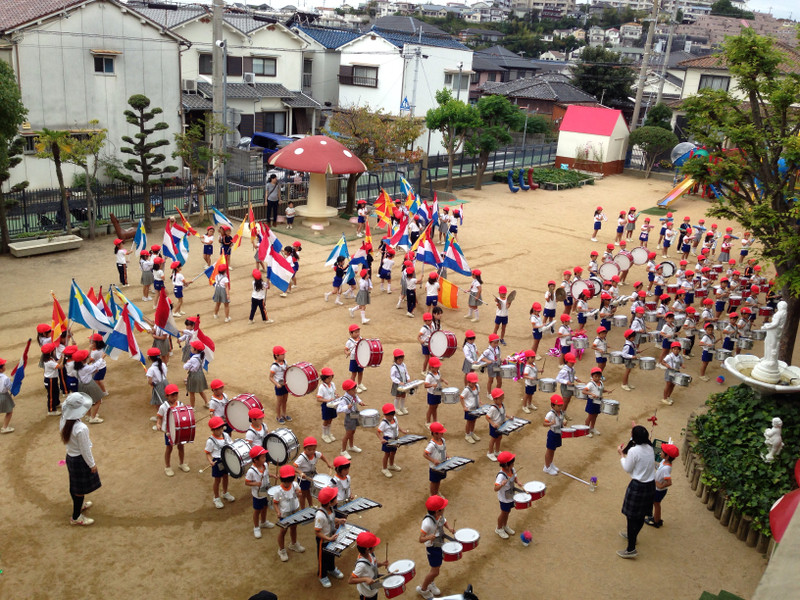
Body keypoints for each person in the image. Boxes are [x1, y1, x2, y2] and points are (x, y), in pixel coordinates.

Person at [60, 392, 101, 526]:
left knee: (74, 485)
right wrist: (92, 464)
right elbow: (85, 449)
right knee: (79, 490)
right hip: (79, 460)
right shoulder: (81, 428)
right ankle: (76, 516)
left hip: (71, 457)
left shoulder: (64, 420)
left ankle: (80, 506)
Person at [617, 424, 656, 559]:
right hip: (650, 485)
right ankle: (632, 535)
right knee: (641, 515)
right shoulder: (650, 448)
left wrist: (622, 455)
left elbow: (627, 468)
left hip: (638, 486)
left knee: (631, 516)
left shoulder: (634, 451)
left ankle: (631, 548)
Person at [417, 494, 455, 599]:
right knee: (435, 571)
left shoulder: (439, 516)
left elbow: (444, 521)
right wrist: (429, 537)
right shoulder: (427, 523)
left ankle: (430, 583)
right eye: (443, 508)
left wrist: (450, 528)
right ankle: (423, 589)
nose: (444, 509)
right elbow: (420, 539)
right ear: (437, 511)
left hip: (439, 546)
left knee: (436, 569)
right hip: (432, 549)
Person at [315, 486, 347, 588]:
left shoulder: (331, 509)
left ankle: (331, 568)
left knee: (331, 555)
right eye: (335, 498)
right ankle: (322, 575)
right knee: (322, 559)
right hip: (323, 541)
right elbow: (317, 532)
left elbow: (331, 519)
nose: (337, 500)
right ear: (329, 502)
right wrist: (328, 539)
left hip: (331, 537)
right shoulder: (320, 516)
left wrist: (339, 521)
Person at [156, 383, 191, 476]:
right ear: (166, 396)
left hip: (179, 430)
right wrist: (158, 424)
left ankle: (182, 463)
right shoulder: (163, 406)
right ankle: (167, 466)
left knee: (181, 447)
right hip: (169, 431)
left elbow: (183, 415)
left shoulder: (180, 404)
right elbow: (159, 417)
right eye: (172, 395)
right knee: (169, 448)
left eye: (176, 395)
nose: (174, 397)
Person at [274, 463, 305, 561]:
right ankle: (281, 550)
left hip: (295, 511)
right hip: (285, 515)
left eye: (290, 480)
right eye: (286, 481)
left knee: (294, 527)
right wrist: (278, 512)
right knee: (283, 531)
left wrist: (298, 494)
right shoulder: (278, 491)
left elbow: (300, 494)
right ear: (281, 480)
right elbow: (275, 503)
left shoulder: (295, 485)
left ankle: (293, 544)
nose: (288, 483)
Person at [244, 445, 276, 537]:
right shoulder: (251, 471)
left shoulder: (265, 465)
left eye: (264, 456)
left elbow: (266, 474)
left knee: (265, 507)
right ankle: (256, 527)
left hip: (266, 491)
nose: (265, 459)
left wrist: (272, 475)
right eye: (262, 457)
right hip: (257, 495)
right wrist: (255, 484)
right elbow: (247, 482)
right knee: (257, 511)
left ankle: (263, 522)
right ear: (255, 460)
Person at [645, 442, 679, 528]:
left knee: (656, 504)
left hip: (659, 490)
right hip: (657, 489)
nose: (661, 452)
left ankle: (656, 521)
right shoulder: (664, 461)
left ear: (667, 456)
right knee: (655, 504)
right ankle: (657, 519)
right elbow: (658, 467)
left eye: (663, 452)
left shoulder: (667, 468)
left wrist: (660, 485)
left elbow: (669, 482)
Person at [205, 416, 235, 509]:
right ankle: (216, 497)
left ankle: (225, 493)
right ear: (212, 430)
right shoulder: (210, 441)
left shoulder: (226, 435)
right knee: (217, 480)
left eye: (221, 428)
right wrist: (210, 461)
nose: (220, 430)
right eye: (218, 429)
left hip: (226, 459)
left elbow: (231, 445)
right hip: (217, 462)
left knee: (226, 477)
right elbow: (207, 453)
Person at [295, 436, 333, 508]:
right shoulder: (301, 458)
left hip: (312, 476)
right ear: (304, 449)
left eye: (314, 449)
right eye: (309, 450)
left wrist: (328, 463)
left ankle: (311, 506)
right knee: (303, 495)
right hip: (303, 479)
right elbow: (293, 467)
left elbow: (322, 456)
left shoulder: (316, 453)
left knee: (309, 492)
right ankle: (303, 509)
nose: (312, 451)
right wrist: (300, 472)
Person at [349, 531, 387, 600]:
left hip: (373, 589)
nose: (375, 546)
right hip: (366, 594)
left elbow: (373, 565)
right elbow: (350, 580)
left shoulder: (371, 554)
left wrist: (382, 564)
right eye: (373, 546)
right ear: (367, 549)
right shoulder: (361, 565)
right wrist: (365, 579)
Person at [72, 349, 105, 424]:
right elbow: (95, 366)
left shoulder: (76, 367)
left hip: (81, 385)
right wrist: (102, 358)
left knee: (86, 401)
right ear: (83, 360)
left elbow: (89, 371)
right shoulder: (86, 368)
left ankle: (88, 415)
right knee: (98, 400)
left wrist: (92, 371)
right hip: (89, 385)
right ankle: (93, 418)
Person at [377, 403, 408, 478]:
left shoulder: (395, 418)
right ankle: (384, 468)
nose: (391, 416)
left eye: (392, 414)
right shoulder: (383, 423)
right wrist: (381, 439)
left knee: (393, 452)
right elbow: (378, 432)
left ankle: (391, 465)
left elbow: (397, 426)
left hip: (395, 438)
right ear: (385, 414)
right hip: (387, 440)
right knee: (387, 454)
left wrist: (402, 430)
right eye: (389, 415)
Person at [337, 379, 364, 459]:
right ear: (348, 390)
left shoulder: (353, 395)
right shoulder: (344, 399)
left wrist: (360, 402)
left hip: (355, 414)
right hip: (349, 417)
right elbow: (339, 409)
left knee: (353, 431)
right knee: (348, 434)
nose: (355, 390)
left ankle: (351, 446)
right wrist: (346, 407)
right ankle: (343, 450)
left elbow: (357, 399)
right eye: (353, 389)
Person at [494, 451, 519, 539]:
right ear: (506, 465)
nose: (513, 464)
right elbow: (495, 488)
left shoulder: (512, 469)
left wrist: (518, 482)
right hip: (504, 498)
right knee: (504, 513)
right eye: (512, 463)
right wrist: (502, 484)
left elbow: (515, 477)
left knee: (508, 512)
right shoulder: (501, 476)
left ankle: (505, 525)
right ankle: (499, 528)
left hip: (510, 495)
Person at [423, 421, 448, 495]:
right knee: (434, 482)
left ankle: (436, 492)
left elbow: (444, 449)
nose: (443, 434)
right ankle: (433, 495)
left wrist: (446, 455)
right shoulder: (431, 445)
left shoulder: (443, 440)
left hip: (442, 464)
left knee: (439, 480)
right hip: (434, 468)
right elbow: (425, 454)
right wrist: (433, 460)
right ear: (435, 433)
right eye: (441, 433)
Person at [543, 393, 565, 475]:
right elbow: (544, 423)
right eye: (558, 406)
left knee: (553, 450)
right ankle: (547, 467)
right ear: (553, 406)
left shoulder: (561, 413)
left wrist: (564, 422)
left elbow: (561, 420)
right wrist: (550, 423)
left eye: (561, 405)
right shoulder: (550, 414)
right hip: (552, 433)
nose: (560, 407)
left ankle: (550, 463)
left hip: (558, 433)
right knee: (549, 450)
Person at [486, 388, 509, 462]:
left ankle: (497, 451)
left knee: (499, 438)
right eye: (500, 398)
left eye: (502, 398)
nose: (502, 400)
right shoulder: (493, 408)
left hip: (501, 425)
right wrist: (493, 424)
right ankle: (490, 452)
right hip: (495, 427)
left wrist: (509, 417)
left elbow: (503, 414)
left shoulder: (502, 405)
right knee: (493, 439)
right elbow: (487, 417)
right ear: (495, 399)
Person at [184, 340, 209, 408]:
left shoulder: (193, 359)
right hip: (200, 374)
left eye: (192, 347)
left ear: (195, 350)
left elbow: (185, 367)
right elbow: (202, 364)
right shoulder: (202, 356)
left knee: (192, 392)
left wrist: (188, 362)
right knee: (201, 390)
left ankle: (192, 407)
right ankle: (207, 402)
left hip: (193, 376)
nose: (191, 348)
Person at [270, 345, 290, 424]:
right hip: (279, 386)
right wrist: (277, 384)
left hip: (285, 385)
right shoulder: (274, 367)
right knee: (279, 402)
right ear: (276, 355)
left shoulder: (285, 362)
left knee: (285, 400)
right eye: (282, 354)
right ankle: (278, 416)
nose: (284, 355)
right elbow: (271, 377)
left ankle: (284, 414)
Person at [316, 367, 338, 443]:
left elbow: (334, 393)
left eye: (331, 377)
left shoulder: (332, 384)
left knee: (330, 419)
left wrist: (336, 395)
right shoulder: (321, 387)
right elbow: (318, 399)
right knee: (326, 420)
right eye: (329, 378)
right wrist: (327, 400)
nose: (330, 379)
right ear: (324, 378)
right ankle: (324, 434)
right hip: (326, 406)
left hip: (333, 405)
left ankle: (328, 433)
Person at [460, 372, 482, 444]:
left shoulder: (477, 386)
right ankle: (467, 435)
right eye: (472, 383)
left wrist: (479, 400)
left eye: (475, 382)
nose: (474, 384)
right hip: (469, 409)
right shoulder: (466, 390)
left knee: (474, 421)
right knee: (469, 422)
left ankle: (472, 433)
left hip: (476, 408)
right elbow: (461, 397)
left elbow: (478, 394)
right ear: (468, 382)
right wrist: (464, 407)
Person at [424, 357, 446, 426]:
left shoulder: (438, 372)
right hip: (432, 393)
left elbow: (439, 378)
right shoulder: (429, 376)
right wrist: (432, 385)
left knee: (436, 407)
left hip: (438, 391)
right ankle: (428, 422)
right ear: (431, 367)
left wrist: (443, 380)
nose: (437, 369)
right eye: (436, 367)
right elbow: (425, 385)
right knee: (431, 408)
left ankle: (435, 420)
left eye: (438, 367)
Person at [42, 342, 62, 415]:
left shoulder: (50, 359)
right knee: (51, 395)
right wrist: (65, 360)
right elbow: (60, 367)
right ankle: (51, 410)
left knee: (56, 391)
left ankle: (57, 403)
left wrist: (61, 358)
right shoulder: (49, 362)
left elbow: (57, 363)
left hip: (53, 379)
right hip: (50, 380)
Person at [583, 367, 604, 437]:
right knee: (590, 416)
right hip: (592, 401)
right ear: (592, 376)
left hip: (598, 401)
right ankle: (585, 430)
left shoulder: (601, 383)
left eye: (599, 376)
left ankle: (592, 428)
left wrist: (607, 391)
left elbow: (600, 390)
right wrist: (591, 394)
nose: (597, 378)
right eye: (595, 376)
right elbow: (584, 391)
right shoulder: (590, 384)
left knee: (595, 415)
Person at [345, 324, 366, 393]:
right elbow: (345, 350)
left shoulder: (361, 339)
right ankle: (353, 386)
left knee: (360, 372)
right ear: (351, 333)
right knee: (354, 373)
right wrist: (347, 353)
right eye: (356, 332)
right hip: (353, 359)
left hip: (360, 358)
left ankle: (359, 384)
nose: (357, 334)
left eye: (358, 332)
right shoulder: (349, 342)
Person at [661, 341, 684, 405]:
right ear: (672, 349)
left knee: (673, 385)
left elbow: (681, 363)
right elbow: (662, 362)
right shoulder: (669, 356)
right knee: (668, 384)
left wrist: (682, 365)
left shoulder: (680, 356)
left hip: (676, 371)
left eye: (678, 349)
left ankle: (668, 396)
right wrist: (666, 365)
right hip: (670, 371)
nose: (676, 350)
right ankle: (664, 398)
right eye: (675, 349)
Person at [389, 349, 411, 415]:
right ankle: (396, 408)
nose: (400, 361)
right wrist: (399, 382)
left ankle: (402, 407)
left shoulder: (404, 365)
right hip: (398, 384)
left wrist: (408, 379)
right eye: (399, 360)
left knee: (403, 395)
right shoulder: (394, 367)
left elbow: (406, 373)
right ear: (395, 359)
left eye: (402, 360)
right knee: (398, 396)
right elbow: (392, 377)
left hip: (404, 382)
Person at [0, 358, 16, 433]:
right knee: (9, 411)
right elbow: (10, 388)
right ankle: (4, 427)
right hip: (3, 396)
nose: (5, 366)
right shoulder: (5, 378)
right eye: (3, 365)